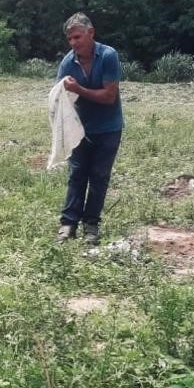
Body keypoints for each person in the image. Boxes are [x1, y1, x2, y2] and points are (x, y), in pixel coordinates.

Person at [55, 13, 123, 244]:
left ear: (90, 33)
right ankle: (68, 224)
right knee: (76, 176)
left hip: (108, 127)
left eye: (77, 37)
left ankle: (91, 225)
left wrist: (80, 90)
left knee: (99, 177)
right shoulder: (67, 62)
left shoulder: (108, 56)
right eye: (70, 39)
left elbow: (109, 96)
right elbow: (60, 99)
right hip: (79, 129)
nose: (74, 43)